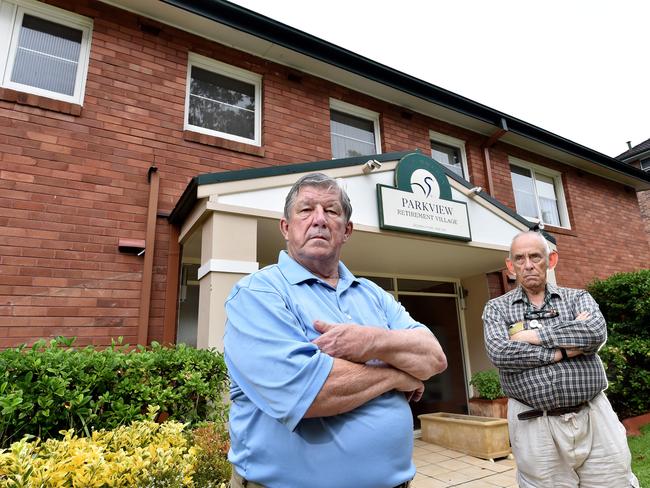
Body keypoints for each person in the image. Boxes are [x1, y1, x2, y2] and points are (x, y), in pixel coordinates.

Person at [224, 173, 447, 488]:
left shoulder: (374, 295)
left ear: (347, 230)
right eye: (306, 210)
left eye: (331, 210)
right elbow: (304, 393)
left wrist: (371, 341)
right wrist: (399, 376)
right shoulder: (257, 292)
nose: (319, 220)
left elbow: (434, 358)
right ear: (286, 228)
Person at [482, 230, 639, 488]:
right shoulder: (497, 308)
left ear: (550, 260)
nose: (528, 265)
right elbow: (501, 352)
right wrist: (562, 350)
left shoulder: (578, 297)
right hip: (534, 424)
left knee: (615, 482)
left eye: (535, 256)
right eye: (520, 259)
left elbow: (594, 333)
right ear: (510, 266)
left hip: (593, 416)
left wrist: (533, 335)